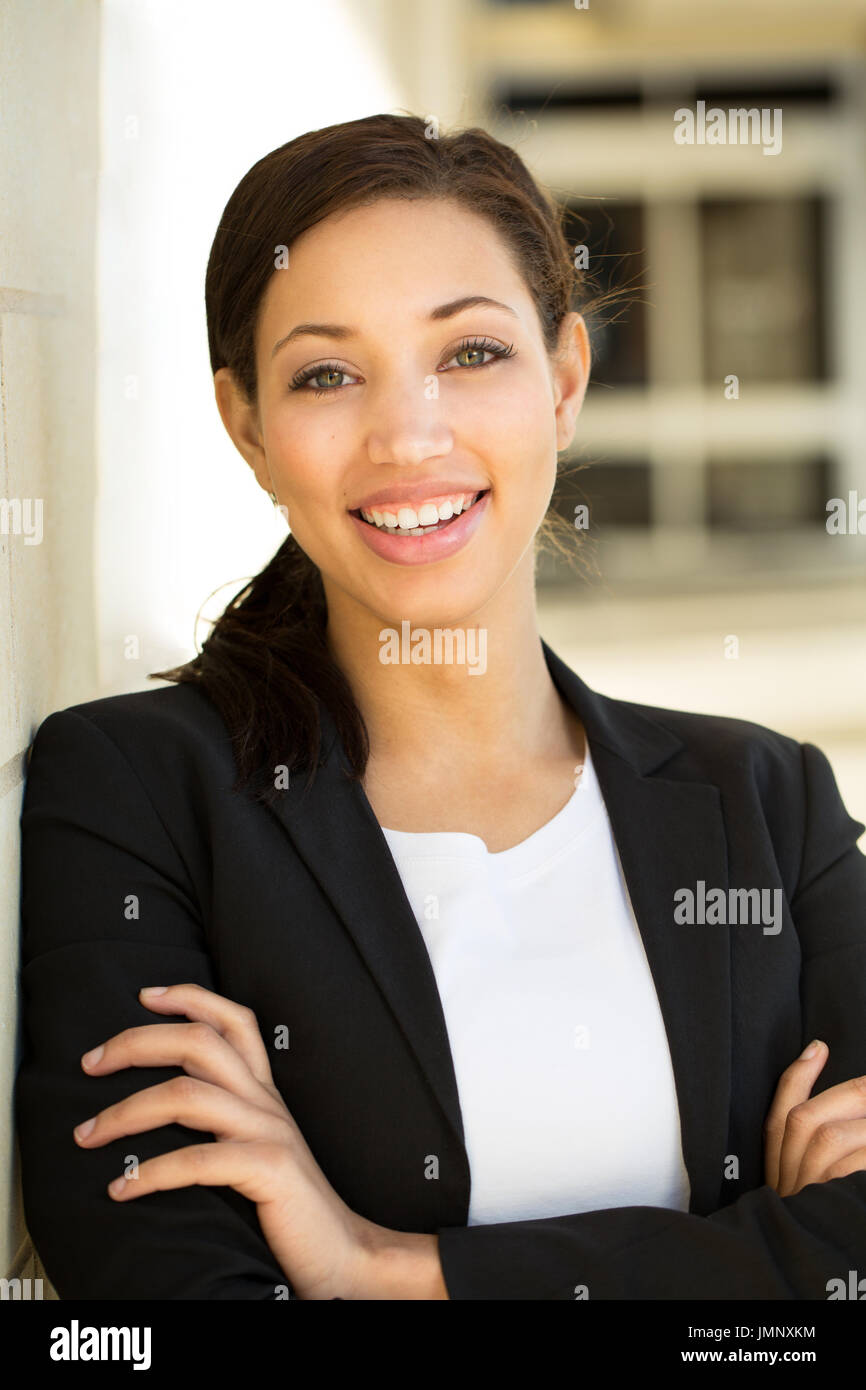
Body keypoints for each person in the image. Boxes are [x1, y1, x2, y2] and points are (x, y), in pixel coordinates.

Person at [15, 112, 866, 1300]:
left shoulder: (766, 804)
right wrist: (753, 1263)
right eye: (325, 373)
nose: (408, 436)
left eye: (468, 352)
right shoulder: (136, 794)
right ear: (247, 426)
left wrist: (384, 1268)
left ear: (563, 381)